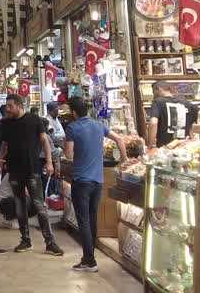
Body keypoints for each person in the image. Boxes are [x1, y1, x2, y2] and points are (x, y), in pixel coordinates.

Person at [62, 97, 126, 273]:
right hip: (98, 181)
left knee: (83, 219)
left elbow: (68, 154)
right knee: (92, 217)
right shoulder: (98, 125)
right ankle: (91, 256)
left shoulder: (72, 128)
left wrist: (72, 156)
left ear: (74, 112)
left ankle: (89, 260)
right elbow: (120, 140)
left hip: (81, 181)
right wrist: (125, 161)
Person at [0, 93, 63, 255]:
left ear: (20, 105)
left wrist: (48, 162)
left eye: (10, 106)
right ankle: (25, 240)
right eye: (7, 106)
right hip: (14, 170)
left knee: (39, 205)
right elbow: (4, 145)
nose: (8, 109)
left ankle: (50, 242)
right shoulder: (6, 124)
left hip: (32, 170)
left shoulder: (34, 120)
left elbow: (44, 141)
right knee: (20, 205)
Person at [148, 82, 199, 148]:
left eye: (153, 92)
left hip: (165, 149)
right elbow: (193, 126)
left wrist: (150, 145)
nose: (154, 96)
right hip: (185, 147)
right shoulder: (188, 104)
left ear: (159, 89)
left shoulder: (157, 102)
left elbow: (153, 123)